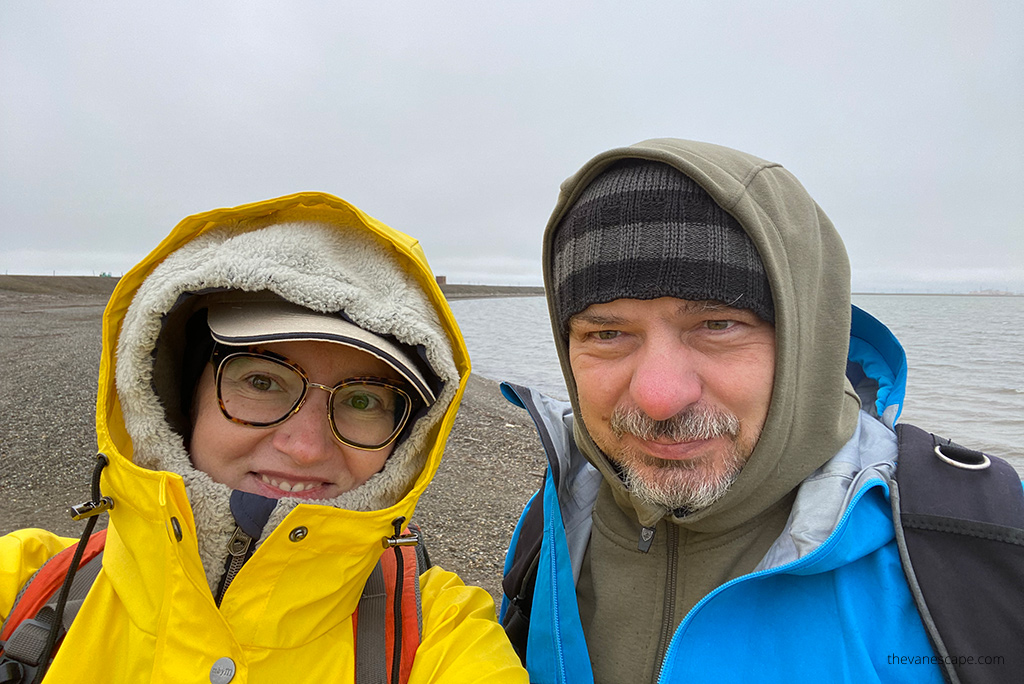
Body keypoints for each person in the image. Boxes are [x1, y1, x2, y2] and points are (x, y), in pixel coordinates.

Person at [498, 139, 1020, 683]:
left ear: (807, 340)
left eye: (718, 325)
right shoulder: (557, 512)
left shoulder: (973, 545)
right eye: (607, 334)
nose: (658, 395)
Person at [0, 192, 528, 682]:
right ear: (179, 396)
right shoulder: (25, 582)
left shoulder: (440, 633)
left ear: (406, 442)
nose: (305, 447)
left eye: (363, 400)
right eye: (261, 381)